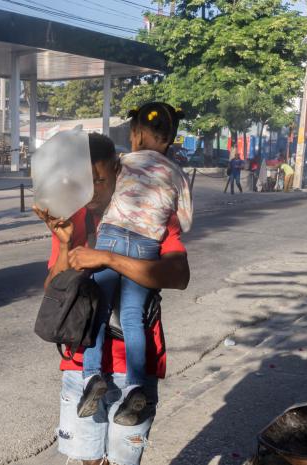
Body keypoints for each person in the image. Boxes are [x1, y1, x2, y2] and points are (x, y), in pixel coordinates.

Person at [35, 132, 190, 465]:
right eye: (84, 182)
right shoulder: (71, 218)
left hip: (133, 363)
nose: (92, 192)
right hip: (82, 366)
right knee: (87, 460)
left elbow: (179, 276)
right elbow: (53, 289)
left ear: (118, 172)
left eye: (100, 181)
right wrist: (64, 245)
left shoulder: (151, 211)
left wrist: (108, 258)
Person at [78, 103, 191, 427]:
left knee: (98, 310)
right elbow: (184, 219)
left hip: (112, 237)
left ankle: (91, 377)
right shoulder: (178, 175)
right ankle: (137, 385)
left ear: (135, 134)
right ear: (170, 138)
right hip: (146, 247)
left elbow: (105, 187)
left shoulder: (124, 162)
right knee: (133, 319)